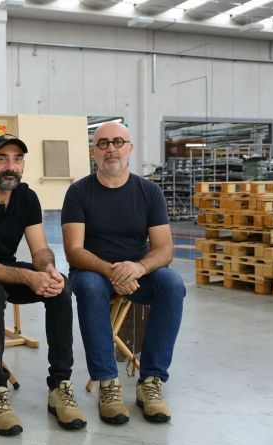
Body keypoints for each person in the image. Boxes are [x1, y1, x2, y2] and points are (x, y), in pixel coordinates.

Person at [0, 134, 86, 436]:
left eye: (17, 159)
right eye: (2, 158)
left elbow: (39, 250)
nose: (11, 166)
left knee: (61, 288)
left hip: (4, 269)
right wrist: (27, 276)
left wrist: (48, 270)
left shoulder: (27, 197)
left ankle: (59, 386)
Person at [61, 122, 185, 425]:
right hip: (92, 271)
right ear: (93, 152)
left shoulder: (149, 192)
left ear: (130, 148)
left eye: (118, 142)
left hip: (136, 271)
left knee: (172, 284)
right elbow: (74, 251)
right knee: (89, 287)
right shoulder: (78, 193)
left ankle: (151, 381)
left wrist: (139, 268)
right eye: (102, 143)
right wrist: (112, 272)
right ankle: (108, 383)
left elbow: (164, 249)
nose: (110, 149)